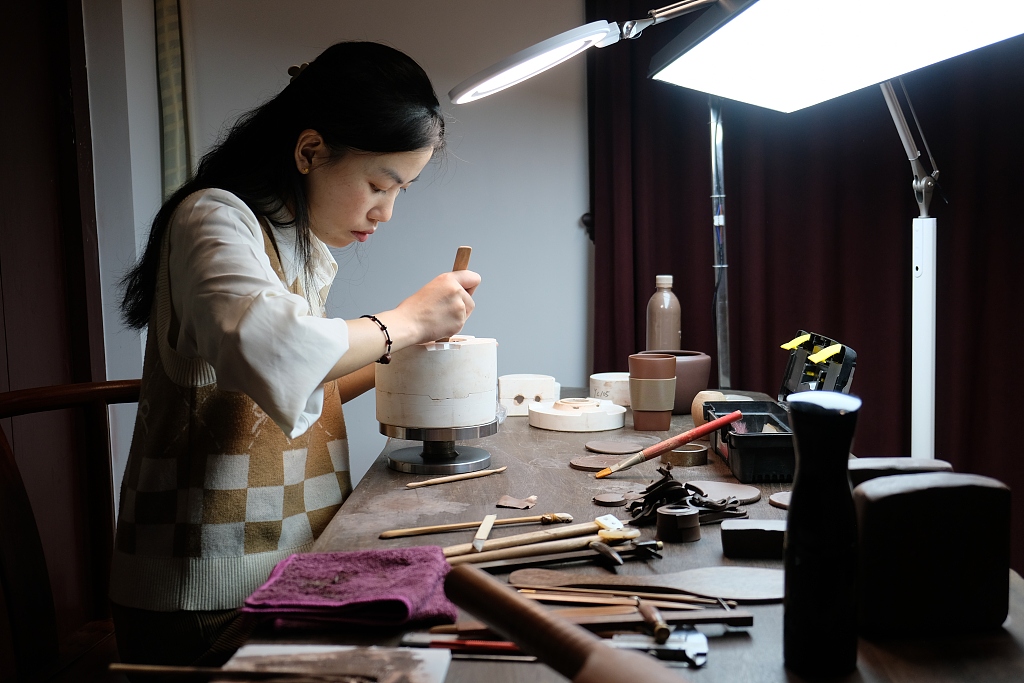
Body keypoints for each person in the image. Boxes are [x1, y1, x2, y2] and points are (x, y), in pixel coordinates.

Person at [110, 41, 479, 667]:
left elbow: (303, 385)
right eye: (378, 185)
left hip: (289, 572)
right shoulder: (214, 218)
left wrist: (413, 343)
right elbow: (279, 350)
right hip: (205, 596)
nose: (385, 212)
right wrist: (405, 319)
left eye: (401, 193)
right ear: (310, 151)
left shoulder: (293, 242)